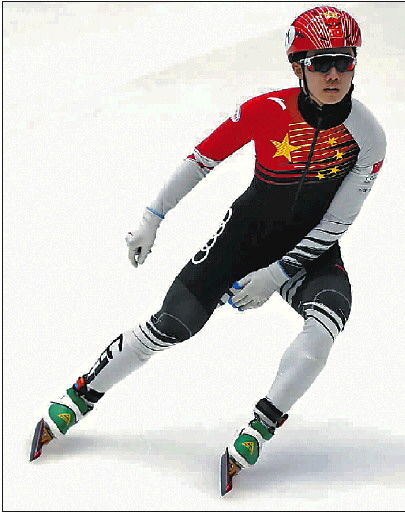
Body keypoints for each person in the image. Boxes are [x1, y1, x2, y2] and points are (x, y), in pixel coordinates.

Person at [30, 5, 386, 481]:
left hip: (310, 252)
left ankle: (259, 428)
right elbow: (202, 160)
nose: (334, 74)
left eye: (344, 61)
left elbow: (340, 219)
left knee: (326, 325)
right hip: (242, 242)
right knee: (171, 325)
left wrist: (277, 274)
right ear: (297, 68)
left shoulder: (369, 136)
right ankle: (78, 396)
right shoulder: (265, 110)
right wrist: (152, 218)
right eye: (321, 63)